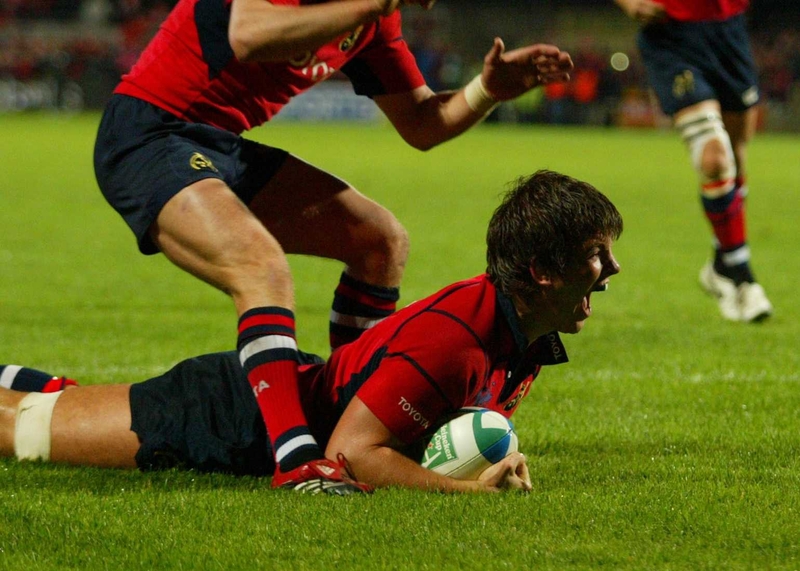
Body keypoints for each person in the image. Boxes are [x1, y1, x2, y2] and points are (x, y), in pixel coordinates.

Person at [92, 0, 574, 493]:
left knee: (379, 241)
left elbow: (423, 122)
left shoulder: (375, 19)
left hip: (217, 145)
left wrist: (486, 90)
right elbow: (247, 33)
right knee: (260, 268)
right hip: (148, 135)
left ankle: (357, 416)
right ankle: (296, 461)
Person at [2, 170, 622, 494]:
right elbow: (348, 453)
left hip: (270, 400)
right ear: (541, 271)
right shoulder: (458, 338)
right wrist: (470, 496)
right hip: (227, 418)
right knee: (26, 431)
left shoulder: (527, 337)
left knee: (59, 405)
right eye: (597, 254)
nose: (612, 270)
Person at [613, 0, 772, 323]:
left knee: (736, 156)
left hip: (729, 29)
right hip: (671, 33)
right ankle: (742, 276)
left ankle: (721, 264)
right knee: (715, 159)